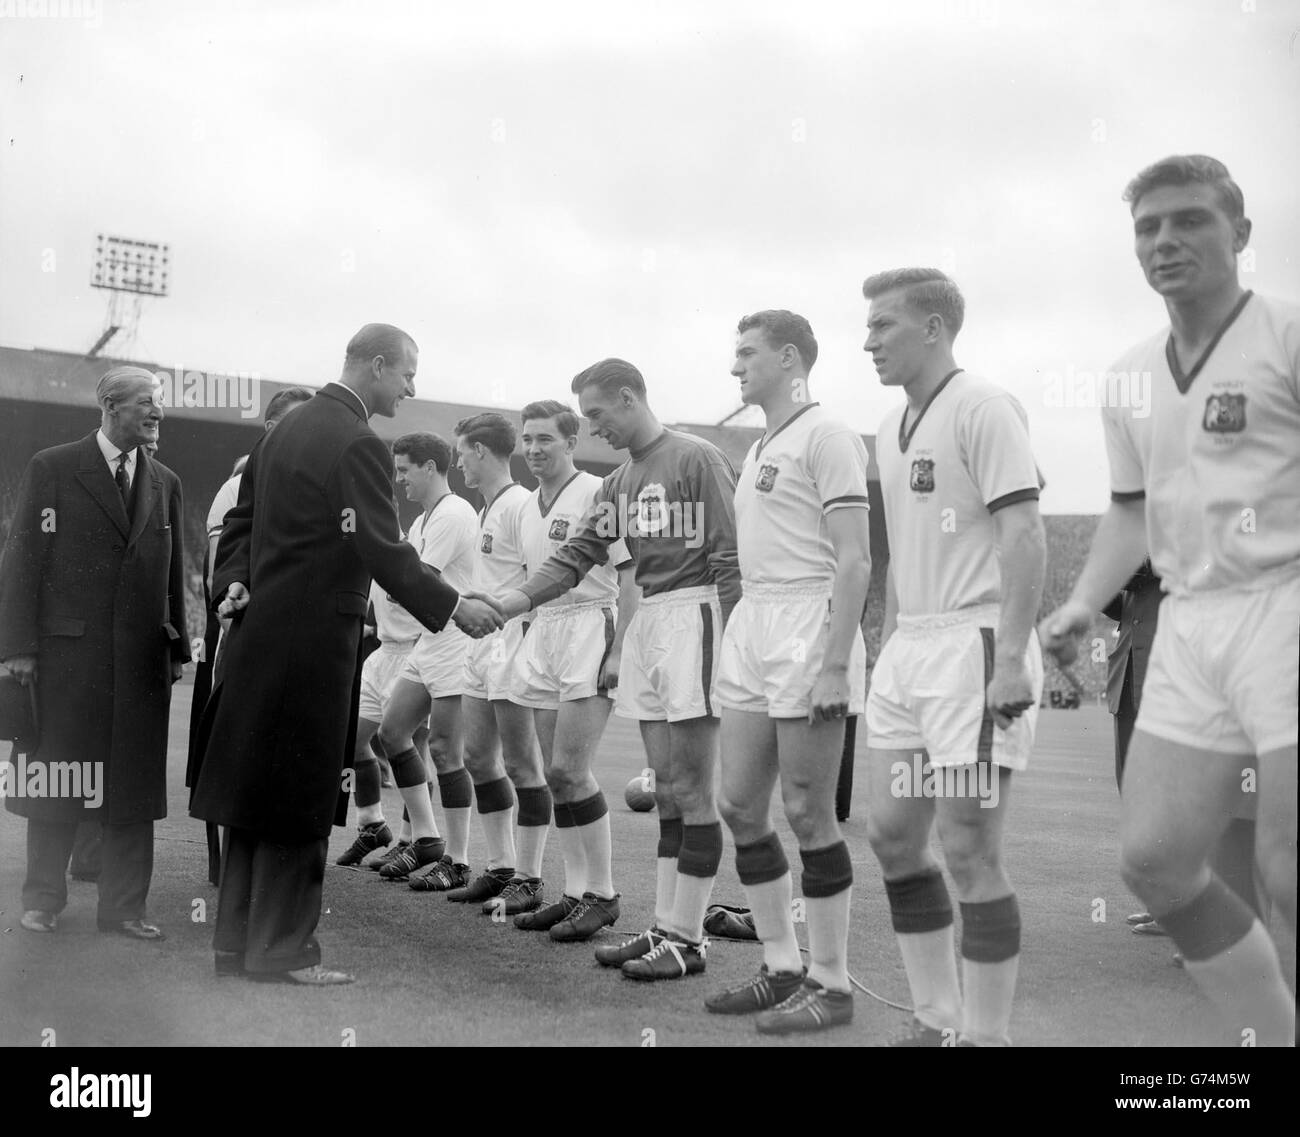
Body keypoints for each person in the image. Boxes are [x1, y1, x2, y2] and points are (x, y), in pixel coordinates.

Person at [1040, 156, 1297, 1046]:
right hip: (1187, 621)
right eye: (1148, 227)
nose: (1165, 240)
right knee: (1154, 860)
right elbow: (1129, 511)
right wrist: (1081, 601)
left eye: (1189, 220)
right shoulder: (1127, 375)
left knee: (1285, 866)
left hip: (1287, 604)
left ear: (1241, 233)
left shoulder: (1286, 338)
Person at [190, 324, 502, 986]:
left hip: (257, 637)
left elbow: (238, 525)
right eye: (407, 372)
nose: (412, 387)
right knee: (302, 794)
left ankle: (237, 946)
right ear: (377, 365)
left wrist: (233, 580)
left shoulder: (283, 428)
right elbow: (382, 550)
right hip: (312, 646)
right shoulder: (356, 440)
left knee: (251, 792)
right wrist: (454, 606)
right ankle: (285, 953)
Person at [493, 360, 742, 979]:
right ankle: (667, 928)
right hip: (653, 624)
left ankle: (689, 941)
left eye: (598, 413)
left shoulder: (696, 457)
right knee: (666, 791)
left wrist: (738, 642)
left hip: (698, 615)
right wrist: (507, 603)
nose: (594, 426)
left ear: (629, 398)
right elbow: (575, 557)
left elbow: (733, 553)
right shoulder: (619, 483)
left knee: (690, 789)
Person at [859, 269, 1046, 1048]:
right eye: (866, 327)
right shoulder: (886, 427)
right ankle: (936, 1018)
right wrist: (889, 646)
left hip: (973, 647)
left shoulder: (985, 406)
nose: (868, 340)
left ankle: (987, 1035)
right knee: (894, 836)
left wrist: (1008, 662)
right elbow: (902, 554)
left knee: (969, 850)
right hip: (912, 649)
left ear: (934, 327)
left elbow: (1024, 535)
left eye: (884, 326)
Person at [705, 310, 871, 1034]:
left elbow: (857, 559)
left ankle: (831, 983)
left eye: (748, 353)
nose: (735, 366)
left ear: (791, 356)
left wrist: (835, 664)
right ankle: (781, 964)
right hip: (757, 621)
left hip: (811, 622)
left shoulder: (827, 434)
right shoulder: (762, 442)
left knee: (807, 810)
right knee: (739, 803)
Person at [1, 366, 188, 940]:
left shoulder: (166, 482)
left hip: (140, 663)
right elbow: (23, 559)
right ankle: (43, 900)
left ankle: (125, 909)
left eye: (159, 405)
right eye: (145, 404)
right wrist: (18, 650)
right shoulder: (53, 467)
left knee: (131, 789)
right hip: (66, 662)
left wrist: (176, 647)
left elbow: (172, 574)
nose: (157, 413)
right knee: (58, 779)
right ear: (109, 405)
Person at [491, 399, 636, 942]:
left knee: (572, 770)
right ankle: (576, 893)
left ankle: (602, 893)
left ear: (571, 443)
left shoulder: (600, 494)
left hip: (589, 627)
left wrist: (619, 649)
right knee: (555, 774)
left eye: (546, 439)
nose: (533, 448)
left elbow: (630, 573)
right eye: (528, 439)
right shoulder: (527, 506)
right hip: (545, 630)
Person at [187, 387, 313, 884]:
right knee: (232, 739)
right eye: (292, 424)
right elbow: (223, 567)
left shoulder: (305, 481)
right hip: (242, 631)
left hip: (289, 636)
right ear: (270, 427)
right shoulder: (237, 486)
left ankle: (267, 854)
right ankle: (227, 858)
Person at [447, 413, 551, 914]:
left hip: (512, 643)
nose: (458, 460)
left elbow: (540, 580)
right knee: (477, 759)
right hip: (479, 646)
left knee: (521, 763)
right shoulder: (484, 508)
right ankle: (502, 866)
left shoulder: (520, 506)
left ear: (482, 451)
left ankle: (529, 877)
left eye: (462, 451)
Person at [374, 433, 479, 886]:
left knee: (445, 750)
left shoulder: (454, 514)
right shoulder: (421, 521)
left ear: (431, 467)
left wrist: (399, 583)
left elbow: (419, 581)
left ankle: (456, 860)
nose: (399, 480)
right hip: (428, 640)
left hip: (456, 640)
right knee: (392, 733)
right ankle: (427, 838)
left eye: (404, 470)